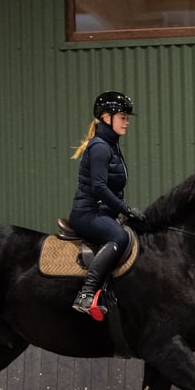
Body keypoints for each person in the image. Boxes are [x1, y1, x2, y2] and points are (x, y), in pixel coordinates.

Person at [68, 91, 146, 316]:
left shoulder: (111, 145)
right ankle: (87, 294)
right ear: (105, 118)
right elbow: (99, 188)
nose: (127, 122)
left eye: (127, 117)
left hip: (102, 211)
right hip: (87, 213)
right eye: (123, 117)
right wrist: (125, 209)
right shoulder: (100, 147)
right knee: (119, 237)